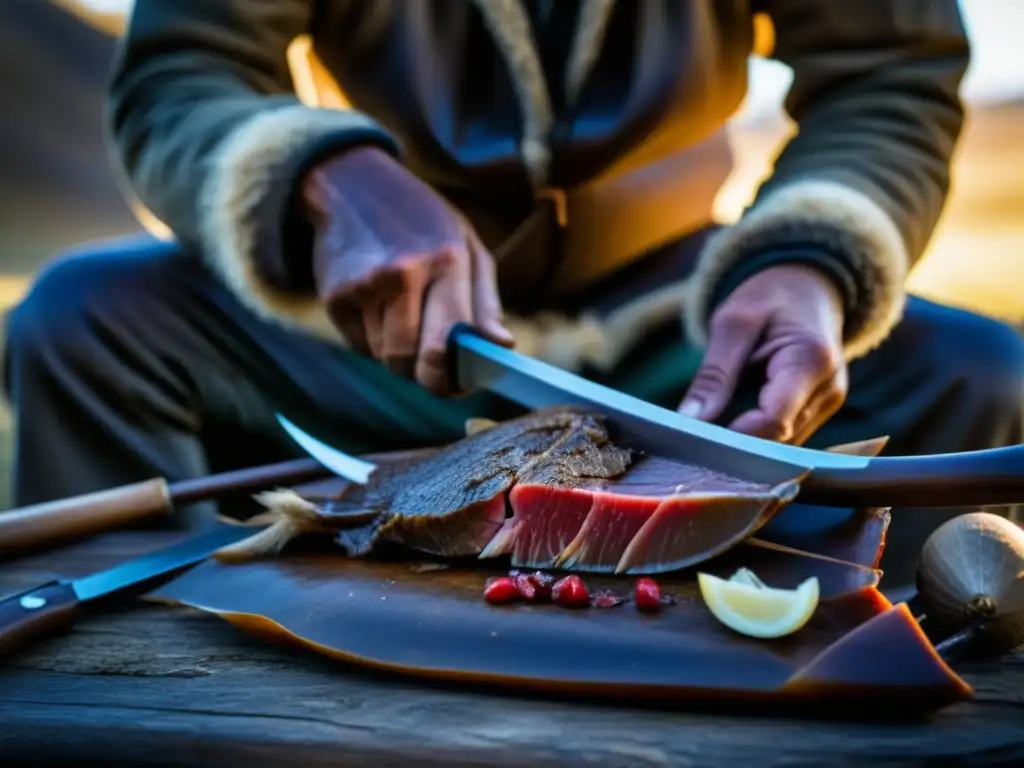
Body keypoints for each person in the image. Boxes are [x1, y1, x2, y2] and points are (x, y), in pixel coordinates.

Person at [4, 0, 1023, 588]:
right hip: (382, 336)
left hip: (689, 338)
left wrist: (810, 260)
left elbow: (888, 70)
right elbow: (183, 70)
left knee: (973, 376)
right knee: (83, 326)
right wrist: (322, 177)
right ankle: (140, 683)